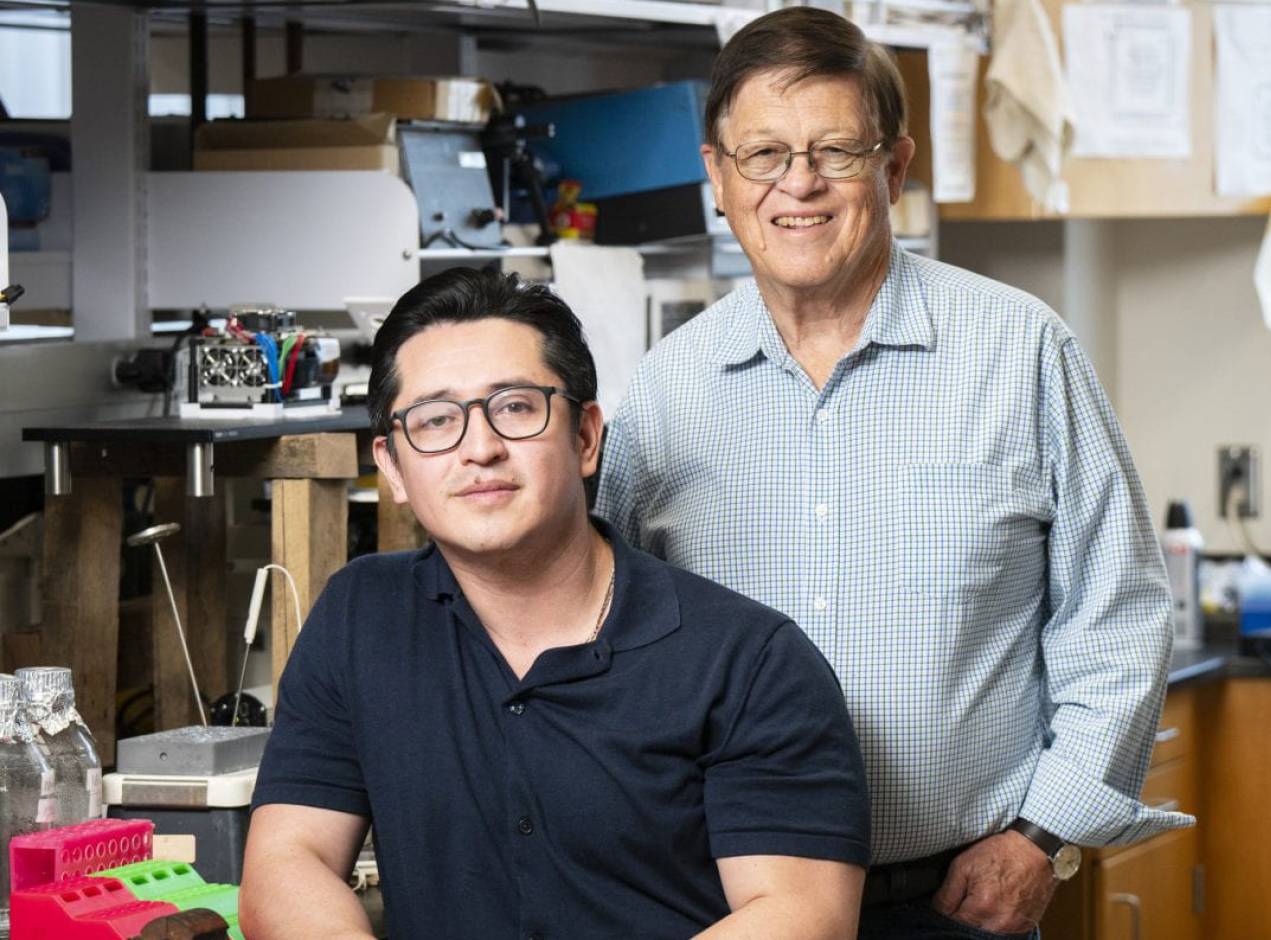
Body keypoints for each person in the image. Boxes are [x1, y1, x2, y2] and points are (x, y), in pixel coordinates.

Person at [595, 8, 1193, 938]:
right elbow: (613, 642)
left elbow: (1117, 617)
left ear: (897, 167)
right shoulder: (667, 391)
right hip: (731, 907)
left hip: (953, 905)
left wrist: (1042, 835)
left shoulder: (1019, 351)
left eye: (836, 150)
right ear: (718, 176)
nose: (799, 183)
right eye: (764, 155)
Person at [242, 268, 870, 939]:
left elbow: (803, 914)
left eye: (514, 407)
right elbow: (288, 861)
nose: (478, 449)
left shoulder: (750, 662)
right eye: (434, 421)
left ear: (585, 438)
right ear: (393, 466)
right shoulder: (361, 616)